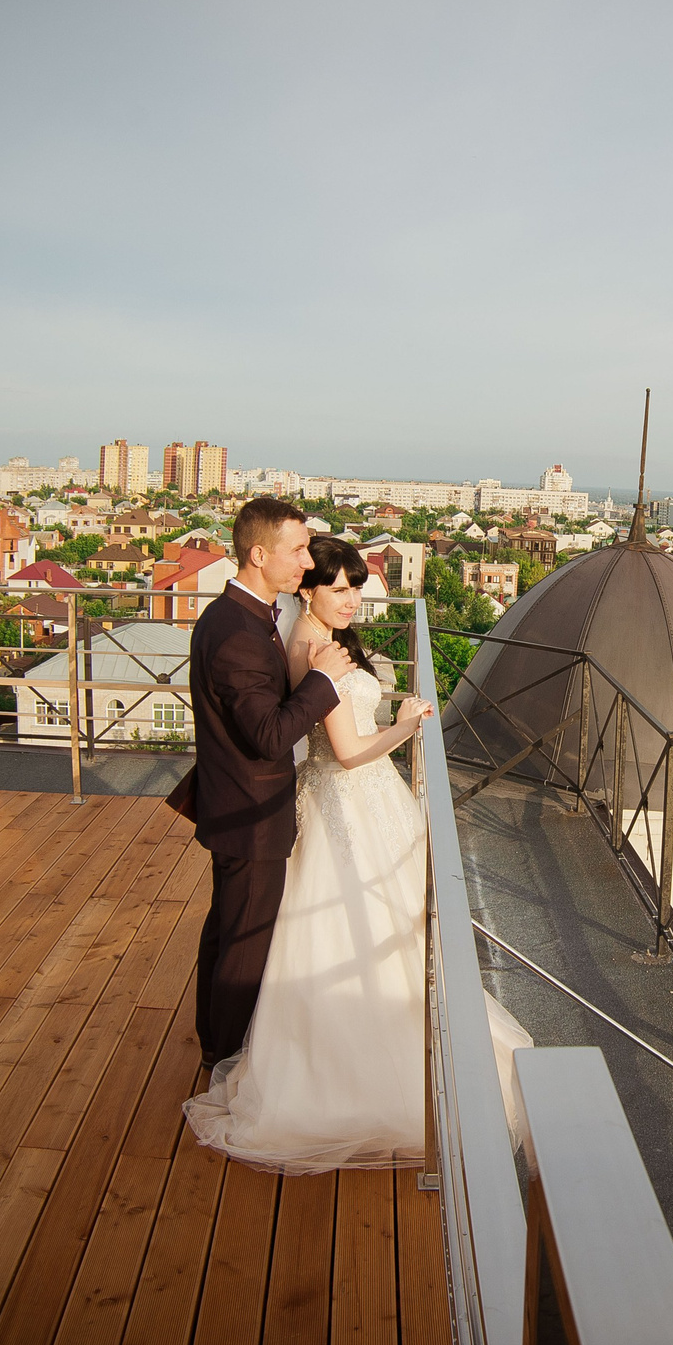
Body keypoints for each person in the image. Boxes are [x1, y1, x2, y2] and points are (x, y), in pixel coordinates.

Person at [185, 532, 529, 1172]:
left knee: (385, 928)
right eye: (337, 588)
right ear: (307, 589)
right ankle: (357, 1076)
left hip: (357, 802)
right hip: (348, 799)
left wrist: (389, 710)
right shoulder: (313, 648)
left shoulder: (317, 641)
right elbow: (346, 752)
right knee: (363, 927)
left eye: (356, 588)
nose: (350, 600)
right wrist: (407, 724)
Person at [186, 496, 355, 1062]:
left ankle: (213, 1038)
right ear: (259, 554)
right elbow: (267, 735)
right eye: (298, 550)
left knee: (228, 929)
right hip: (250, 813)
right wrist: (323, 682)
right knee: (244, 944)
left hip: (234, 803)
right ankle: (226, 1058)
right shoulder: (238, 632)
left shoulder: (239, 615)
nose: (307, 562)